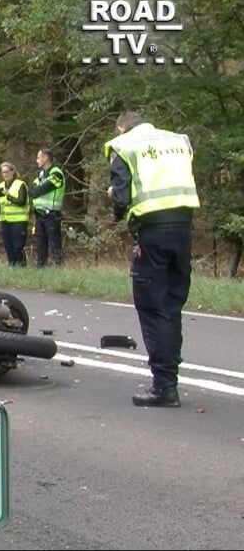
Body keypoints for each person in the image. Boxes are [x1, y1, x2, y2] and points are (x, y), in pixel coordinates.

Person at [105, 111, 200, 408]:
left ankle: (164, 387)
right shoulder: (178, 141)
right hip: (183, 229)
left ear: (122, 127)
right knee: (172, 305)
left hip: (152, 233)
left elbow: (121, 197)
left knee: (152, 307)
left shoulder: (124, 145)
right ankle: (170, 376)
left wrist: (115, 208)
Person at [0, 162, 30, 266]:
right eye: (3, 172)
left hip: (19, 220)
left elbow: (22, 201)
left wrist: (8, 196)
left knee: (18, 246)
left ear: (12, 172)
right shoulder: (0, 186)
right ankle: (11, 265)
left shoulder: (20, 184)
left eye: (7, 172)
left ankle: (21, 266)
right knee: (8, 245)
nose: (5, 174)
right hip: (5, 220)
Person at [28, 148, 66, 267]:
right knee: (40, 243)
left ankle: (58, 266)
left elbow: (42, 189)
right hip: (39, 214)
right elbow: (32, 191)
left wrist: (38, 189)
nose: (37, 160)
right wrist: (37, 189)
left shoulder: (56, 173)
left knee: (54, 242)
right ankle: (41, 266)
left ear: (45, 158)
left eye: (39, 158)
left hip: (52, 214)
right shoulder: (41, 174)